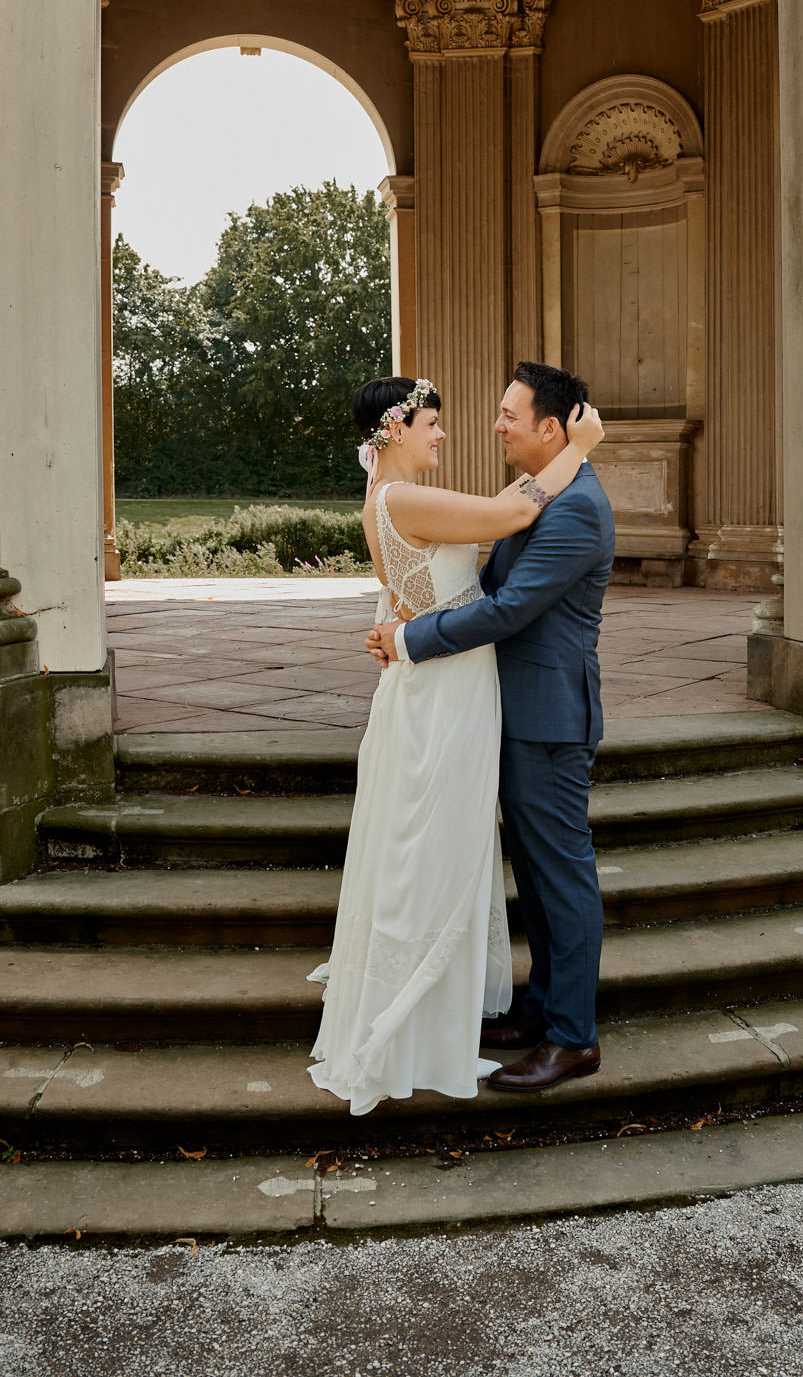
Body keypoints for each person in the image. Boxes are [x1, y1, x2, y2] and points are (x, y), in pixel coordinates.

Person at [307, 371, 604, 1116]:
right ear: (394, 432)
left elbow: (501, 606)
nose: (480, 428)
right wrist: (406, 632)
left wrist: (404, 634)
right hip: (458, 700)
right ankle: (535, 1012)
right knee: (509, 869)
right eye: (434, 423)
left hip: (539, 716)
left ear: (551, 427)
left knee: (556, 874)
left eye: (507, 415)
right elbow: (503, 523)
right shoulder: (405, 498)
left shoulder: (575, 510)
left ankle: (571, 1034)